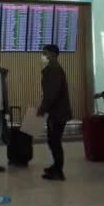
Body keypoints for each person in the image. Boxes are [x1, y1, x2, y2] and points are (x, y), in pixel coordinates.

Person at [37, 45, 72, 181]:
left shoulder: (53, 69)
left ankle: (58, 171)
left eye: (44, 53)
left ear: (52, 54)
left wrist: (42, 109)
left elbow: (51, 94)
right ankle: (56, 166)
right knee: (53, 140)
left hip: (57, 112)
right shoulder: (53, 68)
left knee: (55, 141)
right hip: (57, 111)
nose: (43, 55)